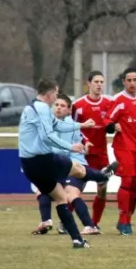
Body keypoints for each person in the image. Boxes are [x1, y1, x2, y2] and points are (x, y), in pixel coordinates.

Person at [20, 79, 113, 248]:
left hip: (28, 165)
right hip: (42, 160)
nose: (57, 97)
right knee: (77, 168)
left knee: (62, 198)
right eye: (56, 93)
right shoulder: (42, 108)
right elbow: (48, 136)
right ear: (49, 94)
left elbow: (57, 125)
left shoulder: (31, 107)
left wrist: (81, 124)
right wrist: (71, 147)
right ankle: (102, 175)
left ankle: (77, 240)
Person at [32, 94, 118, 235]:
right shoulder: (49, 123)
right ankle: (46, 222)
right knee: (43, 191)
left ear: (69, 110)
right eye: (57, 105)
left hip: (73, 165)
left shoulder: (68, 124)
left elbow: (59, 148)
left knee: (70, 194)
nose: (59, 108)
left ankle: (90, 225)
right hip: (60, 167)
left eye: (63, 106)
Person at [72, 70, 114, 229]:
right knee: (75, 189)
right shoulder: (79, 105)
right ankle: (65, 222)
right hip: (83, 154)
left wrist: (114, 126)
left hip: (101, 153)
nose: (99, 85)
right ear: (88, 83)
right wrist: (85, 142)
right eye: (96, 82)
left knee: (102, 189)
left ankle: (94, 224)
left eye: (101, 82)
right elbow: (72, 128)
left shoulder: (108, 103)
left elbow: (113, 121)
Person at [108, 67, 136, 235]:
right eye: (128, 80)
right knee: (128, 181)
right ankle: (124, 220)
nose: (132, 83)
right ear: (124, 82)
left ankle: (126, 219)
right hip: (123, 146)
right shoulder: (118, 100)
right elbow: (107, 120)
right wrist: (112, 126)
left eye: (135, 80)